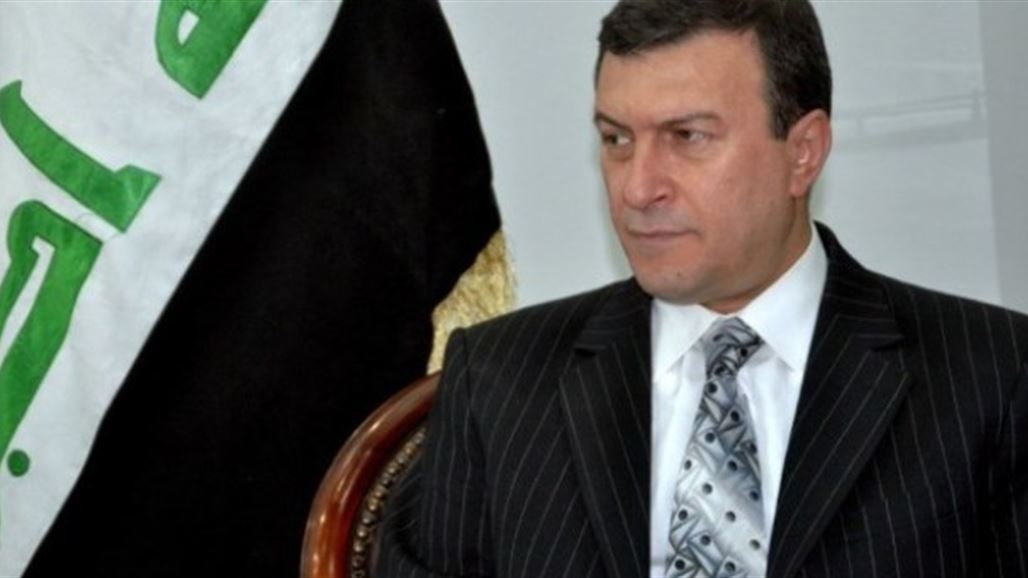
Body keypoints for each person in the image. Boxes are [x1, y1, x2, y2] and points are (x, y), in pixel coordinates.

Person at [375, 1, 1028, 577]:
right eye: (616, 139)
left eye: (687, 137)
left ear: (803, 152)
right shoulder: (498, 381)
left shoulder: (992, 377)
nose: (638, 187)